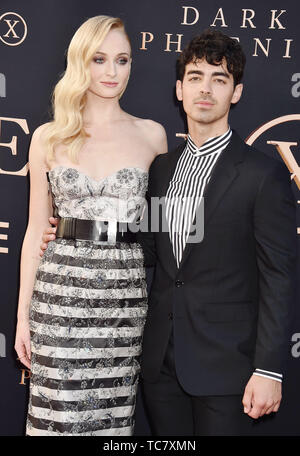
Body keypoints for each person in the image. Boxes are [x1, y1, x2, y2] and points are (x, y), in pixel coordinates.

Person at [41, 30, 297, 436]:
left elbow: (280, 279)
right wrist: (74, 234)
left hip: (227, 369)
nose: (206, 90)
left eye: (220, 79)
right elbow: (145, 249)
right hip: (159, 366)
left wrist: (269, 369)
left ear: (237, 92)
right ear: (180, 89)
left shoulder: (262, 175)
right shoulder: (161, 168)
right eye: (196, 77)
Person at [14, 15, 167, 436]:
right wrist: (23, 317)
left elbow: (164, 228)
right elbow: (32, 232)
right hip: (59, 297)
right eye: (100, 59)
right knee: (55, 418)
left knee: (112, 423)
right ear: (81, 62)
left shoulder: (152, 136)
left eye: (123, 60)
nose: (112, 72)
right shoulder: (49, 136)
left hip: (122, 301)